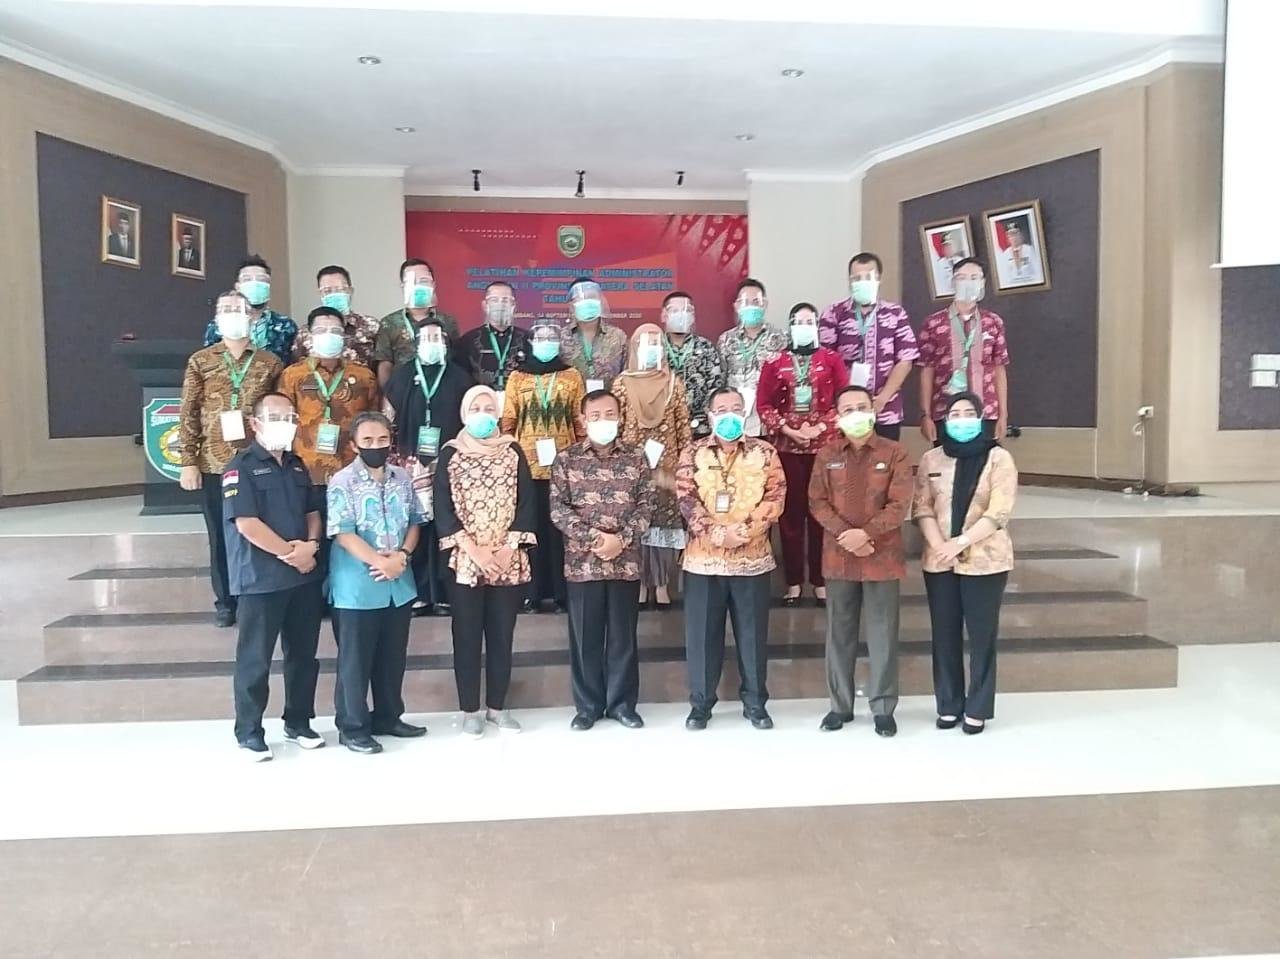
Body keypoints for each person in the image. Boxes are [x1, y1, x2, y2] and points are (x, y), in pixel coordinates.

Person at [222, 392, 325, 760]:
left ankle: (298, 722)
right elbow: (247, 524)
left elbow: (313, 512)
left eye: (290, 417)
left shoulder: (297, 465)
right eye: (276, 417)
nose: (285, 423)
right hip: (261, 578)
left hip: (302, 577)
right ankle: (249, 731)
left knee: (303, 656)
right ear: (255, 423)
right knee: (255, 658)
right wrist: (290, 554)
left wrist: (311, 546)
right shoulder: (240, 467)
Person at [676, 387, 786, 731]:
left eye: (736, 409)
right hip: (703, 561)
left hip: (752, 560)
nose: (729, 415)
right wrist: (715, 532)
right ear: (710, 416)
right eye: (722, 409)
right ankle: (700, 705)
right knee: (702, 638)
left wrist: (746, 530)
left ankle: (755, 703)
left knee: (752, 638)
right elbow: (686, 498)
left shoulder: (765, 452)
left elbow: (776, 496)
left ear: (745, 414)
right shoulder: (692, 452)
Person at [808, 386, 912, 737]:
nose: (855, 413)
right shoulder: (827, 454)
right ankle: (840, 706)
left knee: (883, 634)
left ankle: (883, 707)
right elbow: (817, 501)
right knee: (839, 633)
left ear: (873, 411)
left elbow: (899, 504)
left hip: (881, 556)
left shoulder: (894, 452)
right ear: (838, 416)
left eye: (861, 407)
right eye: (847, 408)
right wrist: (847, 535)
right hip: (838, 556)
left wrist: (866, 535)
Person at [434, 385, 538, 736]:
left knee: (501, 636)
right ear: (464, 414)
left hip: (508, 558)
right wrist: (475, 551)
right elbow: (443, 507)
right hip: (467, 560)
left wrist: (508, 548)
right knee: (466, 636)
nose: (483, 414)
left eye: (489, 408)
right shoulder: (451, 454)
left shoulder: (512, 450)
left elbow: (526, 502)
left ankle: (498, 708)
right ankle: (470, 711)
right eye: (476, 408)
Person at [550, 390, 656, 730]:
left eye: (610, 414)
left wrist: (620, 540)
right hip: (583, 564)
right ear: (583, 420)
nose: (603, 421)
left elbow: (646, 506)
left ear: (620, 417)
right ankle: (588, 707)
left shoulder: (636, 457)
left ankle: (622, 705)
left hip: (625, 562)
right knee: (586, 638)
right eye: (595, 415)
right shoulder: (566, 459)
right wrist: (596, 539)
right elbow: (558, 510)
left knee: (623, 637)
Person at [913, 393, 1017, 735]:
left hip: (985, 560)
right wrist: (940, 546)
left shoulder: (999, 458)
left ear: (981, 417)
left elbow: (999, 512)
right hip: (939, 560)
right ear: (945, 421)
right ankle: (948, 704)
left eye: (968, 413)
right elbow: (922, 507)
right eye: (954, 414)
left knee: (982, 636)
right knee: (944, 634)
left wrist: (960, 542)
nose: (961, 419)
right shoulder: (931, 458)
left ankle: (978, 707)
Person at [180, 290, 284, 627]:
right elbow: (188, 412)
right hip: (214, 462)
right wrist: (188, 461)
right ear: (216, 318)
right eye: (225, 309)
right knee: (220, 534)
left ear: (251, 316)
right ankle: (225, 602)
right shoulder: (201, 361)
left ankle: (255, 594)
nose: (232, 314)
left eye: (238, 309)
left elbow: (279, 409)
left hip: (258, 461)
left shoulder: (270, 362)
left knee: (259, 528)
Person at [327, 411, 427, 754]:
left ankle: (388, 716)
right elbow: (342, 533)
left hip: (398, 583)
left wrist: (402, 556)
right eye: (368, 440)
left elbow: (415, 522)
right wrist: (380, 562)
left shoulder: (403, 477)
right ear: (354, 444)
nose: (376, 446)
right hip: (357, 586)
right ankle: (352, 727)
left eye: (382, 439)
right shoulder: (342, 481)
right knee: (355, 663)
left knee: (392, 658)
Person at [276, 306, 380, 593]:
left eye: (335, 330)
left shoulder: (363, 376)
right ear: (309, 336)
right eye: (321, 330)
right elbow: (283, 420)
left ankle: (347, 594)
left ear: (344, 336)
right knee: (313, 537)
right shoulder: (292, 375)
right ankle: (314, 597)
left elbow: (373, 422)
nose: (329, 335)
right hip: (306, 472)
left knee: (350, 536)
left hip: (350, 474)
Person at [756, 302, 847, 607]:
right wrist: (787, 429)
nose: (804, 326)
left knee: (822, 515)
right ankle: (793, 582)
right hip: (787, 449)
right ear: (790, 326)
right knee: (790, 517)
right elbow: (764, 405)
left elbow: (843, 400)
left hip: (824, 448)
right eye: (798, 321)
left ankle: (820, 582)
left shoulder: (832, 359)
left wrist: (820, 427)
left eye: (810, 321)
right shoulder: (775, 361)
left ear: (817, 326)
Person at [384, 319, 475, 615]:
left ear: (446, 342)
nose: (432, 343)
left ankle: (446, 593)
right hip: (412, 463)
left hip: (452, 462)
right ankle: (421, 593)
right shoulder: (402, 375)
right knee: (416, 524)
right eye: (426, 338)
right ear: (416, 343)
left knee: (447, 524)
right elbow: (389, 417)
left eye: (437, 337)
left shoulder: (460, 377)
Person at [500, 318, 586, 612]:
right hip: (527, 466)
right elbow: (508, 421)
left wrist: (581, 457)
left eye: (552, 337)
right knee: (532, 528)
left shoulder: (572, 375)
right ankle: (533, 593)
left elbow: (579, 420)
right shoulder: (517, 377)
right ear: (531, 343)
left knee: (561, 530)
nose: (546, 342)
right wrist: (509, 456)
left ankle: (562, 593)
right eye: (541, 337)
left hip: (564, 465)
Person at [612, 323, 692, 608]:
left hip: (666, 470)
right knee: (635, 523)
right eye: (645, 343)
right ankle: (639, 583)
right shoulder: (622, 384)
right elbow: (617, 426)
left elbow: (682, 427)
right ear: (635, 348)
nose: (652, 349)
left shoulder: (673, 383)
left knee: (662, 523)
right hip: (632, 468)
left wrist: (684, 465)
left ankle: (660, 584)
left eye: (657, 343)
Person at [818, 252, 918, 440]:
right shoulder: (833, 313)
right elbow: (824, 361)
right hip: (845, 411)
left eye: (868, 277)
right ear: (849, 281)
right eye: (856, 278)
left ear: (879, 279)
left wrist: (882, 399)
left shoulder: (895, 313)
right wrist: (845, 401)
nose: (862, 282)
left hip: (886, 409)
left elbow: (906, 360)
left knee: (885, 456)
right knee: (845, 456)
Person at [916, 257, 1011, 443]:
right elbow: (927, 371)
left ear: (982, 283)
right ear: (953, 282)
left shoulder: (993, 322)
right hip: (945, 412)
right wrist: (925, 415)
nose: (968, 282)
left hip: (985, 411)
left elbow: (999, 368)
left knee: (986, 460)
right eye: (962, 277)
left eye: (974, 278)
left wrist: (1003, 415)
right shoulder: (933, 323)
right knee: (945, 460)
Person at [715, 277, 788, 438]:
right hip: (736, 414)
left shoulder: (781, 338)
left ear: (765, 304)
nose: (751, 307)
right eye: (745, 302)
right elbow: (721, 379)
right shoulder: (726, 339)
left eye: (756, 302)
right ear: (736, 306)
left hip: (769, 414)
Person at [374, 257, 459, 388]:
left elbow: (456, 359)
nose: (418, 286)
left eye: (423, 281)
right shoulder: (389, 323)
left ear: (433, 285)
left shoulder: (448, 322)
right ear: (403, 286)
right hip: (402, 391)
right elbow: (385, 364)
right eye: (412, 282)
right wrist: (386, 394)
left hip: (441, 389)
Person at [202, 255, 298, 365]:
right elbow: (209, 363)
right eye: (247, 279)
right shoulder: (218, 326)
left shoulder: (286, 325)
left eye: (261, 280)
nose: (255, 284)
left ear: (268, 286)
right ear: (237, 287)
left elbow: (293, 365)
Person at [292, 265, 382, 368]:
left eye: (339, 289)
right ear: (320, 294)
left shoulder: (371, 326)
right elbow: (295, 368)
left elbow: (382, 364)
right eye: (327, 291)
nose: (334, 294)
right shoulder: (305, 333)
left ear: (350, 291)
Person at [661, 291, 724, 438]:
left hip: (699, 427)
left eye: (686, 310)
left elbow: (715, 387)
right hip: (663, 426)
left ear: (693, 316)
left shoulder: (706, 347)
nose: (681, 315)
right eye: (674, 310)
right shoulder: (655, 346)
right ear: (664, 315)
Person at [454, 280, 530, 393]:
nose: (500, 305)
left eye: (505, 300)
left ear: (513, 305)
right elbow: (460, 380)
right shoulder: (468, 341)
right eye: (494, 300)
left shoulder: (528, 339)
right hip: (481, 401)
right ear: (485, 305)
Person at [559, 277, 628, 391]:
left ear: (600, 301)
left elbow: (627, 376)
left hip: (609, 401)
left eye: (591, 297)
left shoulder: (618, 337)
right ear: (571, 306)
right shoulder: (560, 338)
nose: (587, 301)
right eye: (581, 298)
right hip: (574, 401)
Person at [995, 220, 1043, 287]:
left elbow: (1038, 270)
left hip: (1030, 283)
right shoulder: (1005, 254)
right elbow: (1004, 276)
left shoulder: (1029, 249)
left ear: (1020, 235)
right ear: (1008, 238)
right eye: (1011, 236)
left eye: (1016, 234)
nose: (1014, 238)